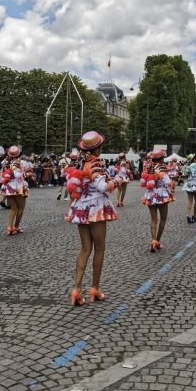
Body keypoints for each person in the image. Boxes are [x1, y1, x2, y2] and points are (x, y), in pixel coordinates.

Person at [64, 131, 123, 306]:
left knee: (84, 249)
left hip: (82, 206)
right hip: (96, 207)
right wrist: (118, 180)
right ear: (97, 149)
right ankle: (94, 288)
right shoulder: (96, 163)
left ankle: (76, 290)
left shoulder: (81, 163)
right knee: (99, 249)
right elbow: (103, 186)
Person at [141, 149, 175, 251]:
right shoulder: (162, 168)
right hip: (161, 195)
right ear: (161, 158)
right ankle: (158, 242)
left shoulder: (149, 167)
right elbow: (167, 181)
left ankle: (153, 241)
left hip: (151, 194)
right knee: (163, 219)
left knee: (153, 220)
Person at [0, 145, 34, 234]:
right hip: (19, 186)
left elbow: (3, 174)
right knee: (21, 208)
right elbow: (19, 176)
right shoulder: (21, 163)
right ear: (19, 154)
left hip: (8, 186)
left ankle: (9, 228)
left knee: (13, 208)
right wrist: (28, 175)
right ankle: (16, 226)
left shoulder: (5, 162)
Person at [182, 154, 196, 223]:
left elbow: (185, 175)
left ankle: (188, 215)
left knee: (190, 201)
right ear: (194, 159)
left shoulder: (187, 166)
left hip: (189, 184)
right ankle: (194, 216)